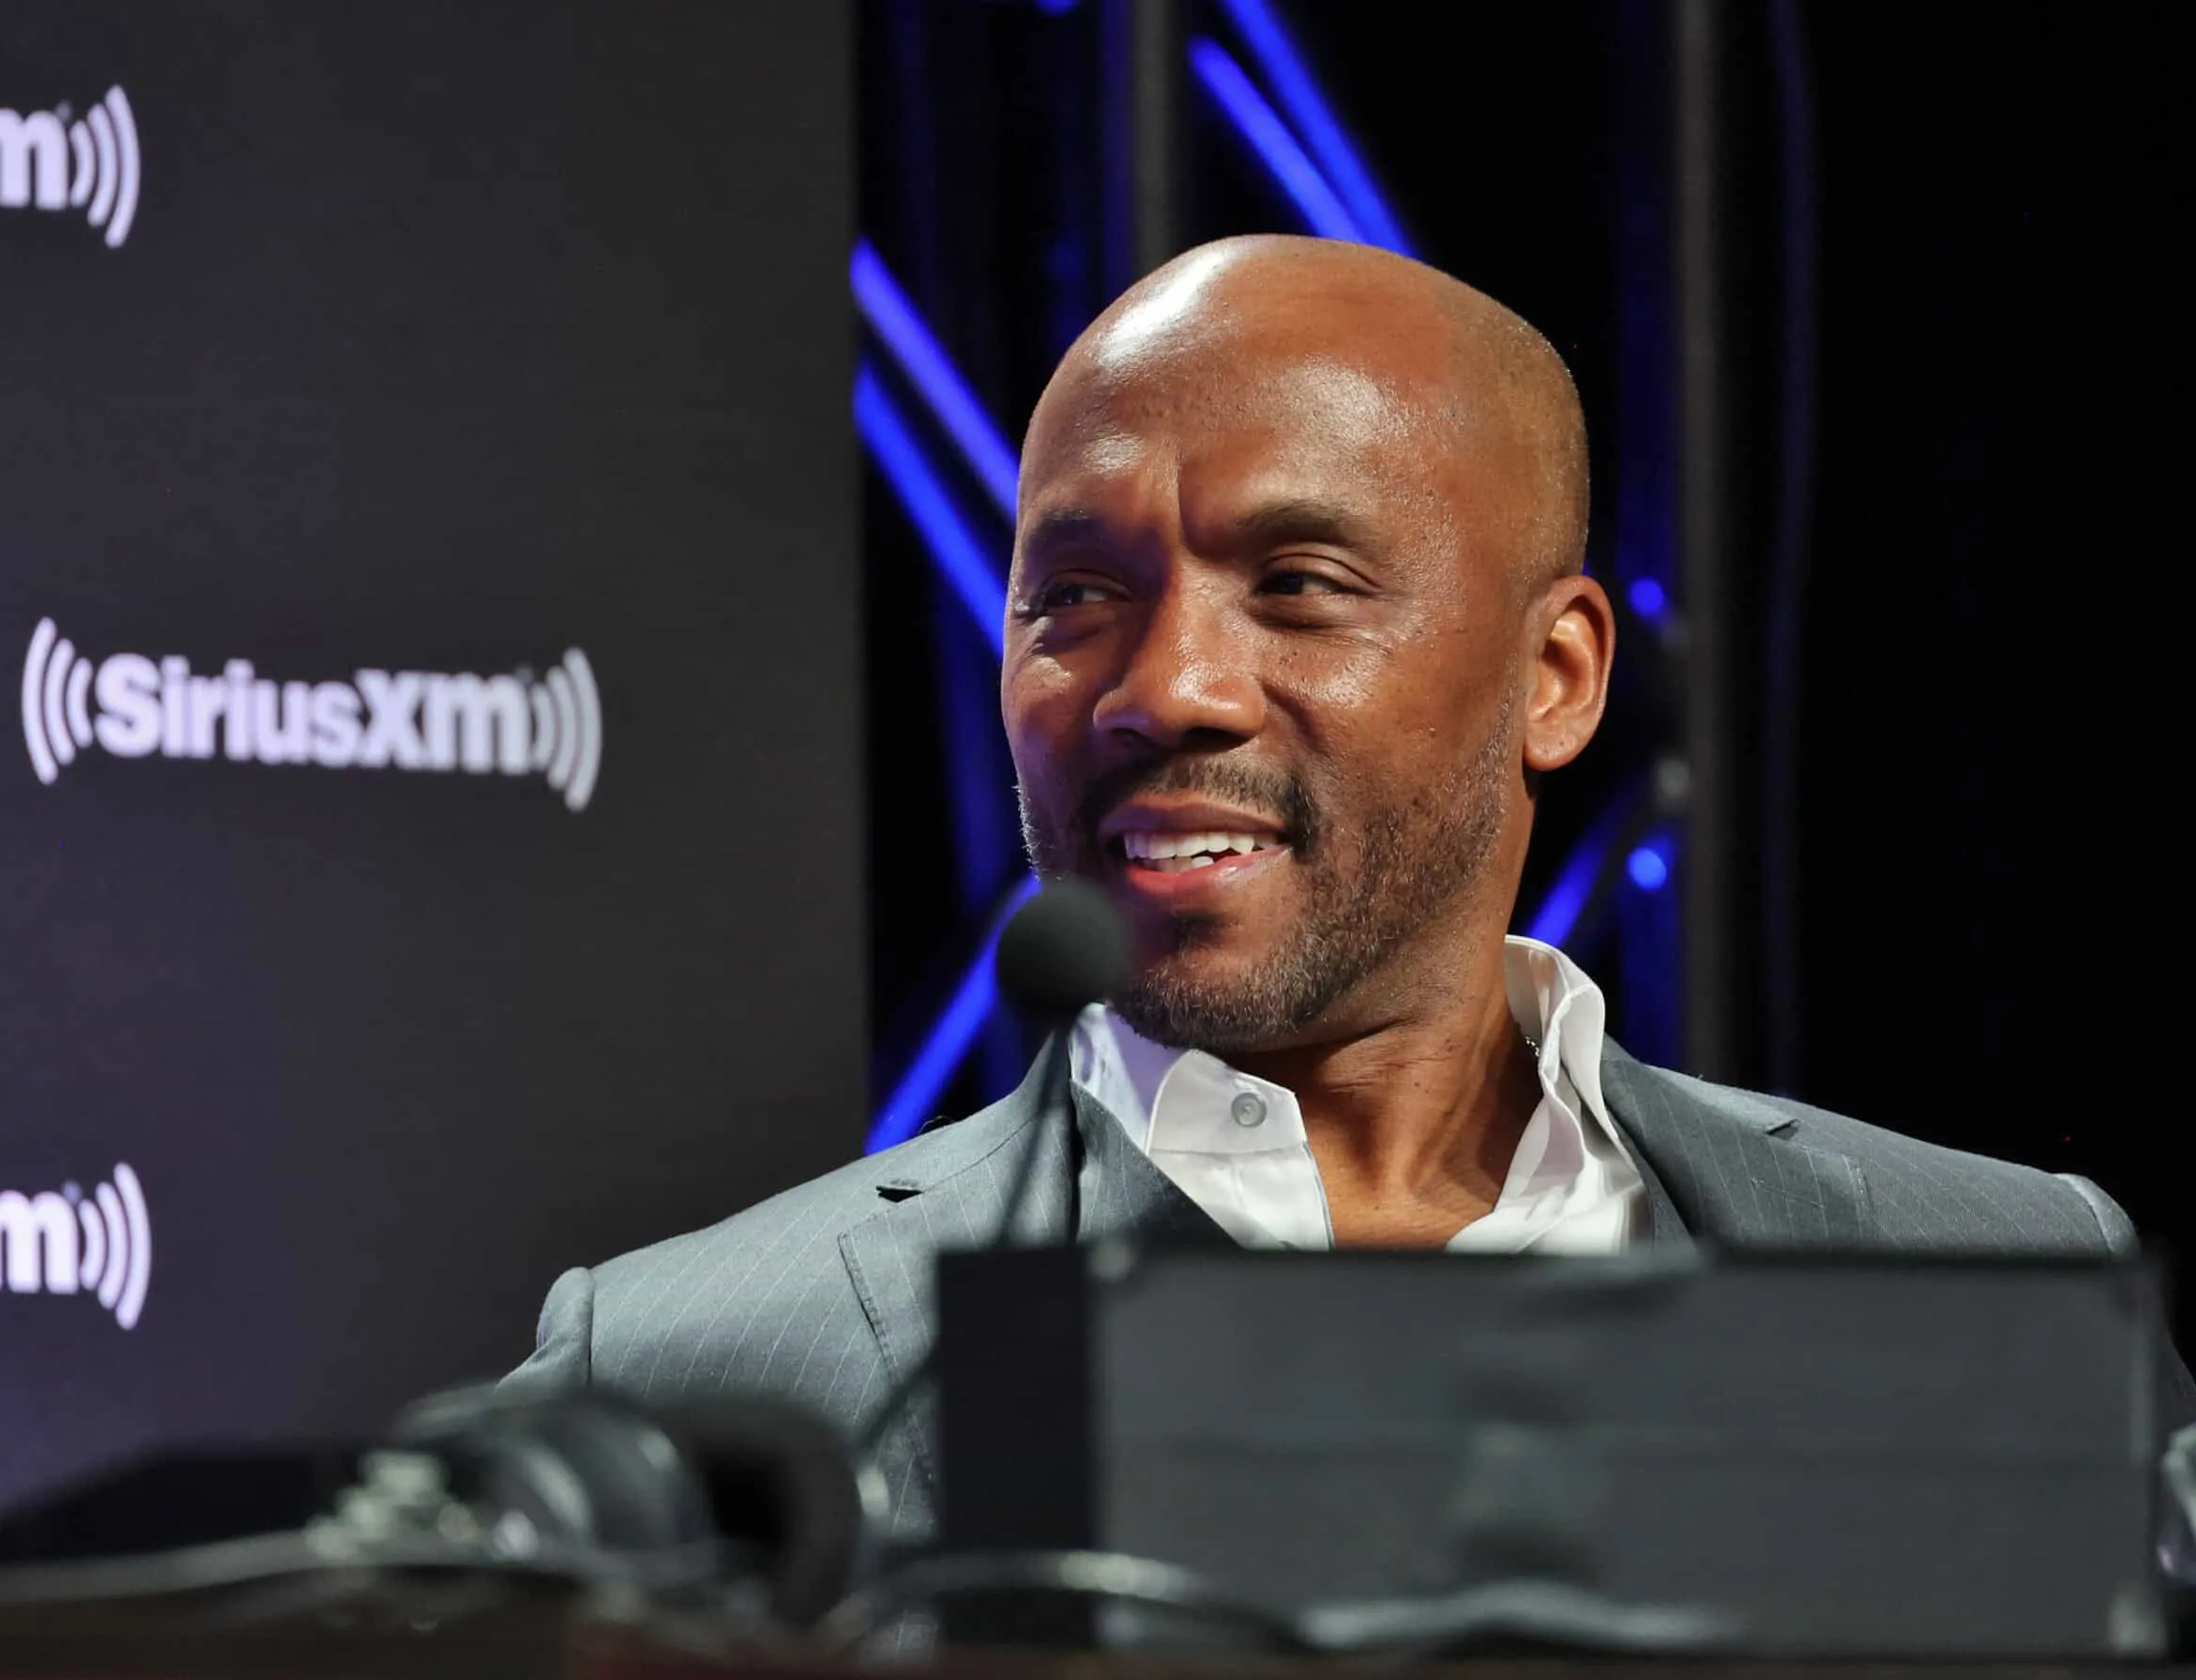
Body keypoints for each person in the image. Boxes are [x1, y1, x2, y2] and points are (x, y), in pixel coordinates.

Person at [509, 235, 2182, 1542]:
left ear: (1559, 675)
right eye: (1073, 595)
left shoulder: (2003, 1270)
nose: (1162, 685)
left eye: (1297, 585)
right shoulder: (684, 1369)